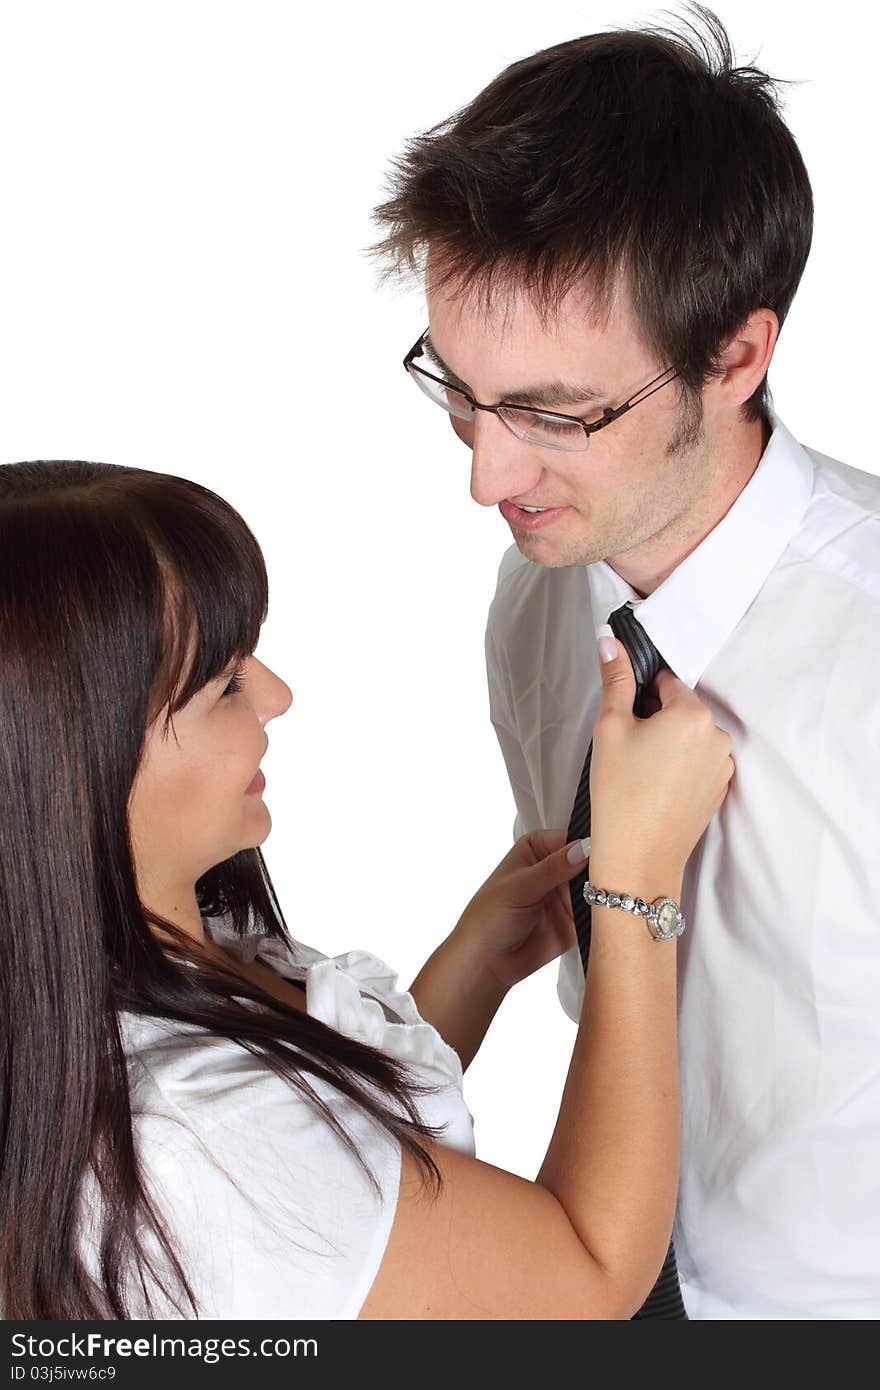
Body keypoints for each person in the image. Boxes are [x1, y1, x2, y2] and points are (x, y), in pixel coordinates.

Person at [371, 8, 880, 1318]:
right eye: (460, 391)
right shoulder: (532, 602)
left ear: (736, 357)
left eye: (552, 413)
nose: (487, 474)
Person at [0, 459, 731, 1320]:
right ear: (70, 771)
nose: (276, 695)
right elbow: (587, 1281)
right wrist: (636, 888)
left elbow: (341, 1194)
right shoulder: (193, 1139)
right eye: (223, 684)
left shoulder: (149, 981)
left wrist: (473, 972)